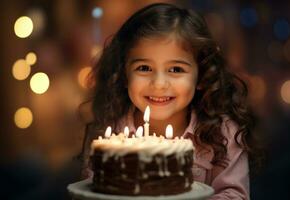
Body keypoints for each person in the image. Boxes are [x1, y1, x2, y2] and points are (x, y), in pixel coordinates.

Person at [79, 3, 261, 199]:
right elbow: (93, 191)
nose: (159, 84)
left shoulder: (224, 134)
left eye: (176, 70)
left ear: (202, 76)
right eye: (144, 68)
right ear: (124, 74)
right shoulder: (108, 132)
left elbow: (235, 195)